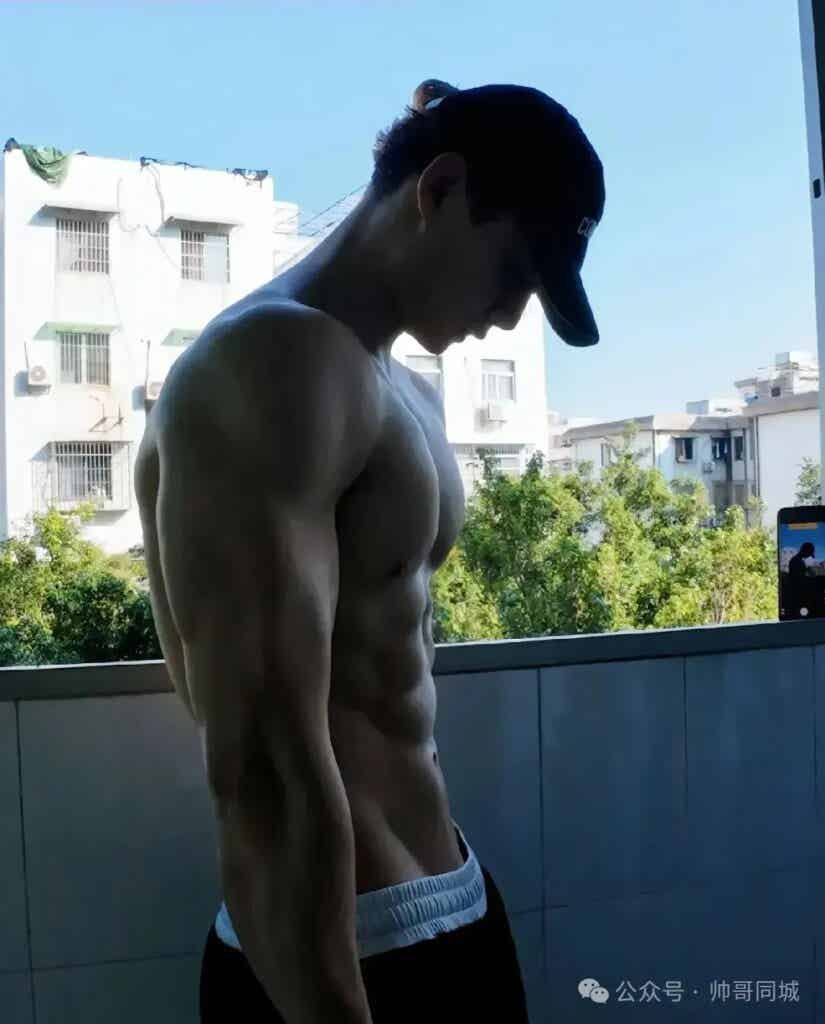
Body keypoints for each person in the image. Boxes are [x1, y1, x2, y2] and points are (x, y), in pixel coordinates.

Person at [134, 78, 605, 1023]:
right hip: (342, 954)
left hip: (446, 899)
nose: (510, 315)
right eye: (513, 270)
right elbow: (260, 769)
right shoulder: (272, 361)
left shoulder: (399, 389)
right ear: (440, 190)